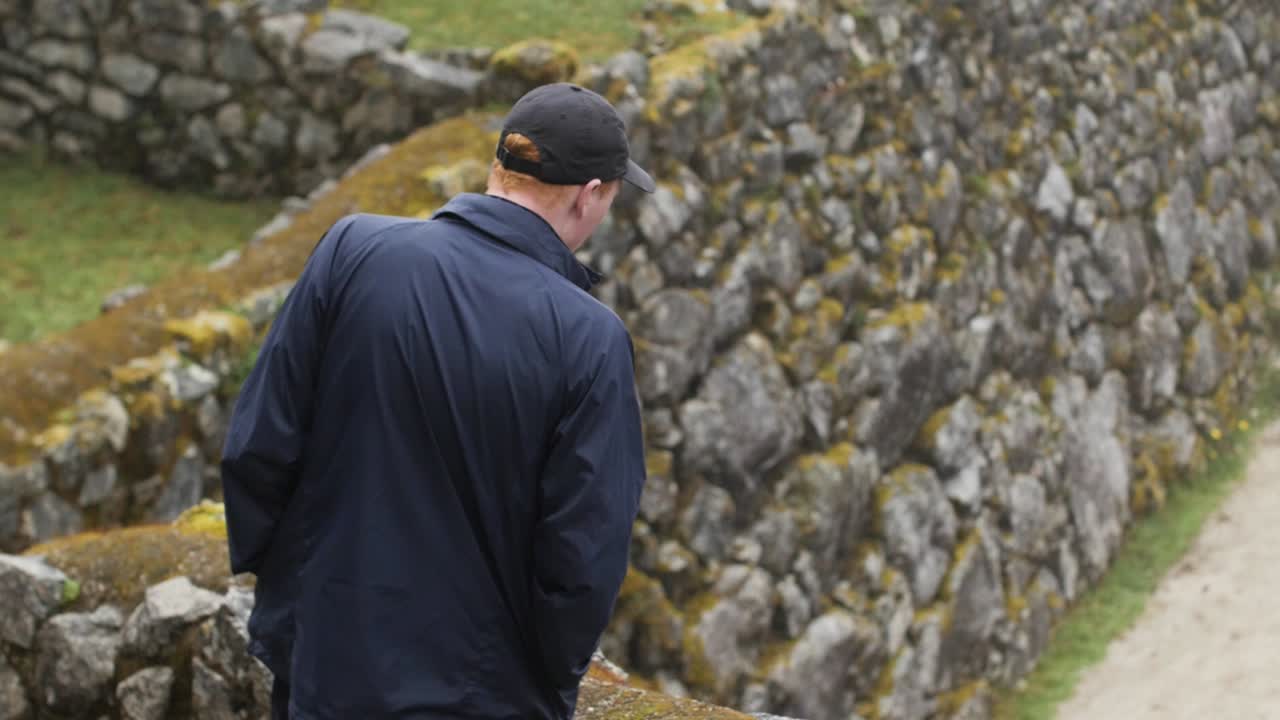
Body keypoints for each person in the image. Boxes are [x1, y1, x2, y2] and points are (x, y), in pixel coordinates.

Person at [220, 82, 654, 719]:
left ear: (498, 168)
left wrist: (296, 600)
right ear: (589, 196)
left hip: (324, 664)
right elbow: (580, 565)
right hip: (478, 694)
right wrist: (546, 686)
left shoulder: (353, 250)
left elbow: (258, 444)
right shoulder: (590, 340)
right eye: (611, 197)